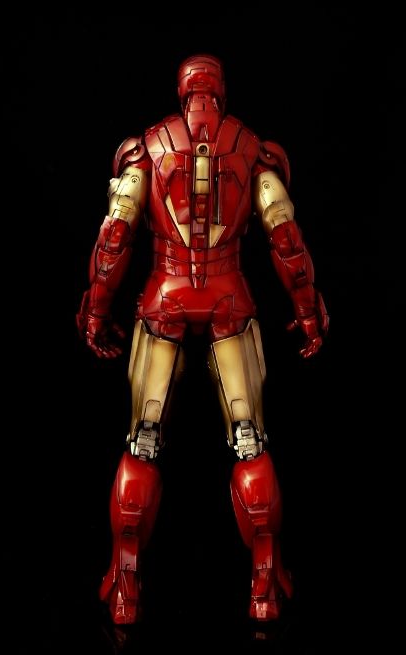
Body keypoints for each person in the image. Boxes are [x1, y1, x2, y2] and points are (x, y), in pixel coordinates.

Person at [76, 54, 329, 624]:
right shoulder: (251, 147)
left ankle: (125, 584)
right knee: (249, 440)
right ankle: (264, 584)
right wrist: (307, 311)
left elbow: (114, 235)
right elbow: (286, 237)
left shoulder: (148, 148)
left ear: (182, 90)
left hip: (163, 298)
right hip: (228, 299)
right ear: (220, 91)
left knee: (143, 440)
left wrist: (96, 310)